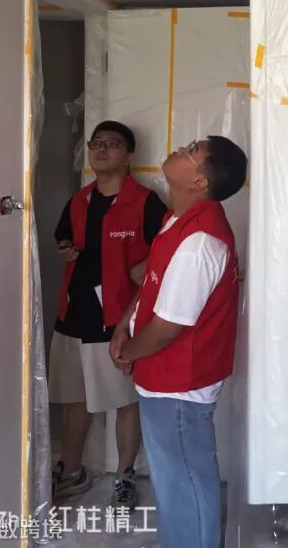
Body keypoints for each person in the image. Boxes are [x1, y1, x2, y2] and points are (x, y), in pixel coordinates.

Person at [109, 136, 247, 548]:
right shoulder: (177, 220)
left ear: (200, 181)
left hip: (181, 383)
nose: (179, 150)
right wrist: (125, 323)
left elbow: (170, 325)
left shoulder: (199, 242)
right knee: (174, 482)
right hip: (165, 376)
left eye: (189, 151)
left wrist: (128, 351)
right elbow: (154, 284)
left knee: (184, 484)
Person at [49, 120, 167, 508]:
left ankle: (124, 475)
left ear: (128, 154)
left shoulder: (145, 202)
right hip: (74, 311)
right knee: (74, 397)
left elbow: (167, 251)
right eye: (96, 143)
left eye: (112, 143)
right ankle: (71, 471)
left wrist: (144, 269)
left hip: (117, 318)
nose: (101, 150)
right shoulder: (79, 200)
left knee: (124, 401)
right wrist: (65, 250)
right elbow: (63, 237)